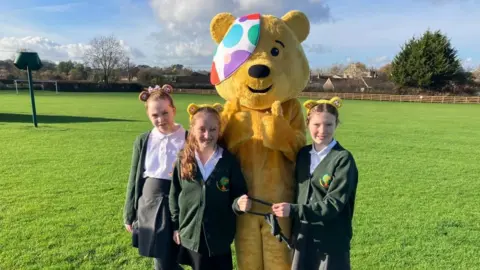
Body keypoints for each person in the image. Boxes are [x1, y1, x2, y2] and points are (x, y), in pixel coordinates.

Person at [271, 97, 359, 270]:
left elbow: (334, 204)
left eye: (329, 125)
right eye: (316, 124)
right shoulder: (303, 154)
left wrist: (294, 210)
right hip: (303, 236)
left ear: (336, 125)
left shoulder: (343, 159)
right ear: (307, 124)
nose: (322, 130)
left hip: (331, 239)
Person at [169, 103, 251, 270]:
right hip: (192, 235)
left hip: (220, 237)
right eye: (202, 129)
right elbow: (174, 195)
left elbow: (238, 193)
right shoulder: (184, 160)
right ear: (192, 129)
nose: (207, 135)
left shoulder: (228, 161)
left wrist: (239, 203)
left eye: (213, 129)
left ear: (219, 129)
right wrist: (176, 226)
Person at [123, 84, 185, 270]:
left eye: (165, 113)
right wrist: (129, 213)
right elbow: (134, 177)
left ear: (173, 110)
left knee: (173, 257)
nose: (161, 119)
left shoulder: (188, 138)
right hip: (149, 204)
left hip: (178, 204)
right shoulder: (143, 140)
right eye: (154, 115)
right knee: (161, 260)